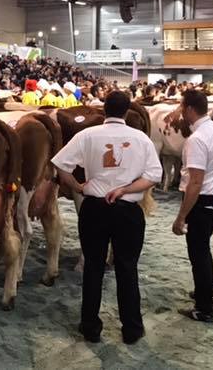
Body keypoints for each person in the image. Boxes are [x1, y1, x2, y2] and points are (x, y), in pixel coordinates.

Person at [51, 91, 162, 345]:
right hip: (128, 210)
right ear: (126, 112)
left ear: (104, 109)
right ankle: (132, 328)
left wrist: (78, 187)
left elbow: (59, 165)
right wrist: (126, 189)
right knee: (127, 268)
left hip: (94, 207)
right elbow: (154, 175)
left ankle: (90, 327)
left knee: (93, 266)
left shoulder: (87, 135)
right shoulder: (140, 138)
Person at [173, 90, 213, 323]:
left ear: (189, 109)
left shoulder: (196, 139)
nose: (180, 111)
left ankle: (204, 307)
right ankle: (204, 291)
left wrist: (181, 217)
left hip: (204, 201)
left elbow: (195, 181)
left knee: (199, 254)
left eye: (181, 106)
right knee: (202, 249)